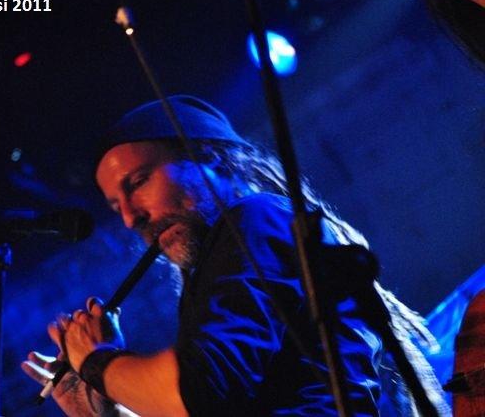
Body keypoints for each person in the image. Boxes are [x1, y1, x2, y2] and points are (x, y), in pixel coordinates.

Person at [22, 95, 448, 416]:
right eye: (117, 206)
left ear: (210, 158)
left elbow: (200, 391)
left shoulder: (255, 219)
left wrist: (99, 360)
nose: (132, 218)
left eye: (138, 183)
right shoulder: (216, 260)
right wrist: (107, 409)